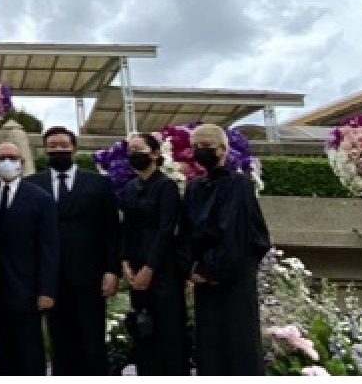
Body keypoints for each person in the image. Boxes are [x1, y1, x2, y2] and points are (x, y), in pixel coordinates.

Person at [27, 125, 120, 376]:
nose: (58, 150)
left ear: (74, 148)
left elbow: (111, 230)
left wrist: (112, 270)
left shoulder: (99, 183)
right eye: (52, 146)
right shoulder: (32, 184)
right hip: (51, 277)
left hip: (89, 276)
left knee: (92, 341)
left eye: (63, 145)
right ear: (45, 150)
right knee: (60, 342)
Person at [181, 123, 271, 375]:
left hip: (233, 279)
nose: (200, 151)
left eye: (206, 146)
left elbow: (237, 234)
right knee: (210, 345)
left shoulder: (238, 185)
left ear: (222, 149)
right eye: (195, 146)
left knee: (238, 343)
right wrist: (190, 268)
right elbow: (186, 230)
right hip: (203, 280)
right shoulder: (194, 187)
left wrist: (211, 269)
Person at [0, 137, 58, 376]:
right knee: (3, 352)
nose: (7, 162)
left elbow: (49, 247)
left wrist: (47, 290)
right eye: (1, 158)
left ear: (22, 162)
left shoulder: (40, 198)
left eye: (12, 158)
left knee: (29, 353)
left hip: (27, 289)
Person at [120, 132, 189, 375]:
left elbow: (166, 229)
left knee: (167, 330)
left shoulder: (166, 186)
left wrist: (149, 268)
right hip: (136, 267)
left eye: (139, 150)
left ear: (155, 153)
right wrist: (125, 262)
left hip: (162, 268)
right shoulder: (130, 187)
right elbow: (126, 227)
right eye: (130, 151)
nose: (134, 155)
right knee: (142, 328)